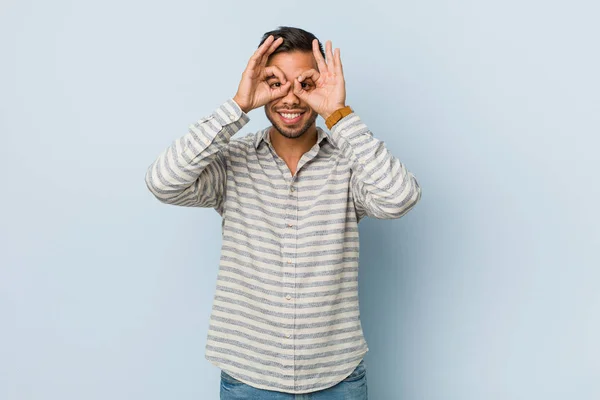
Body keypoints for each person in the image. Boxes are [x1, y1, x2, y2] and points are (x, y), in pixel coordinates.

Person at [145, 26, 421, 399]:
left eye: (305, 85)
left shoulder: (350, 163)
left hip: (337, 378)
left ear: (322, 85)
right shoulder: (231, 162)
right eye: (276, 82)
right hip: (248, 379)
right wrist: (238, 105)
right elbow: (163, 181)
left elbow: (399, 198)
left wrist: (338, 114)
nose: (290, 98)